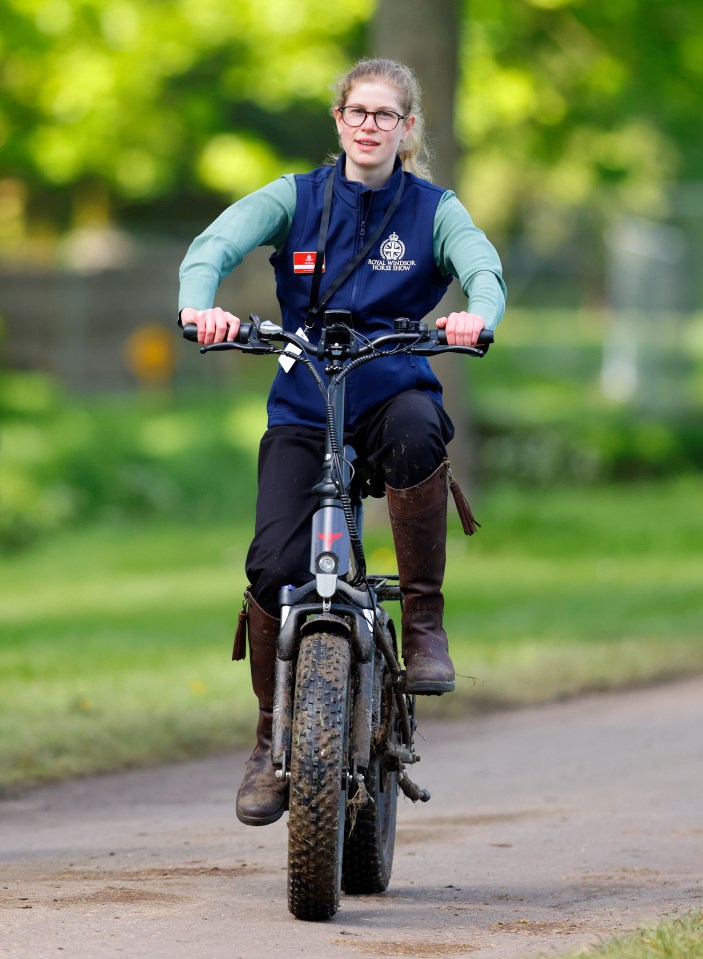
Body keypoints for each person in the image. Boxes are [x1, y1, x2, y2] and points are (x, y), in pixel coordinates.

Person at [178, 58, 506, 827]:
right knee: (271, 564)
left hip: (391, 384)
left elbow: (482, 268)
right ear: (338, 120)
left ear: (407, 128)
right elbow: (212, 246)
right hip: (306, 396)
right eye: (357, 111)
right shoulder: (295, 197)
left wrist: (474, 315)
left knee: (423, 429)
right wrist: (203, 308)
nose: (368, 125)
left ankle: (423, 621)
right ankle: (269, 733)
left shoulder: (434, 209)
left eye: (385, 115)